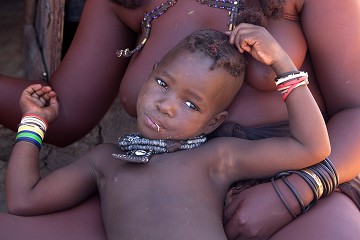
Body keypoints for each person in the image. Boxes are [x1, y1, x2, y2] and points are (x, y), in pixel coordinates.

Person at [1, 0, 359, 239]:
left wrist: (294, 192)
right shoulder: (105, 163)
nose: (168, 105)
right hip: (155, 185)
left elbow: (353, 113)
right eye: (160, 83)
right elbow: (65, 115)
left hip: (298, 177)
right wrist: (34, 119)